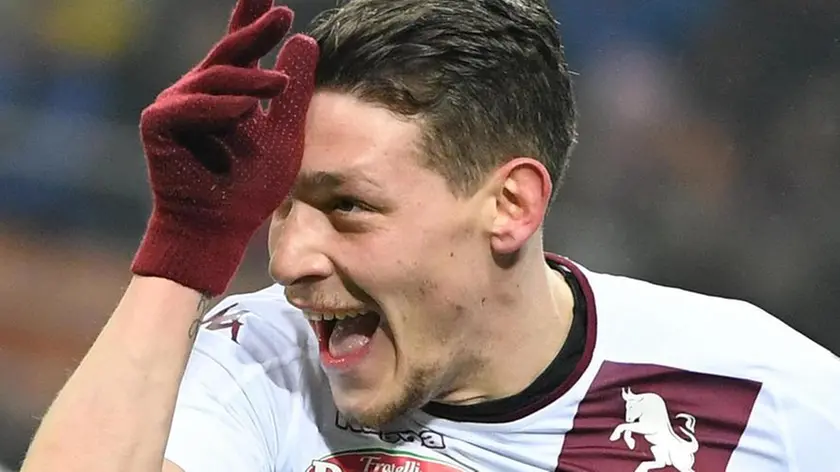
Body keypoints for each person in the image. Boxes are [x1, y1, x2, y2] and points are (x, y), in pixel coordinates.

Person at [20, 0, 840, 471]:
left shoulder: (768, 396)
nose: (289, 261)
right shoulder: (260, 361)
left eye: (349, 207)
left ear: (511, 205)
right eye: (280, 205)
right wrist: (181, 252)